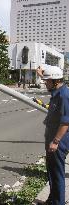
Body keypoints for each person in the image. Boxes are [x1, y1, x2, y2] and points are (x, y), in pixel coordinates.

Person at [37, 66, 69, 205]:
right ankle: (52, 200)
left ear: (55, 81)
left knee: (57, 174)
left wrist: (55, 141)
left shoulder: (64, 95)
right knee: (51, 172)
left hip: (59, 140)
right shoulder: (57, 92)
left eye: (47, 81)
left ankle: (58, 202)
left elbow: (66, 122)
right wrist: (41, 74)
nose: (45, 83)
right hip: (52, 137)